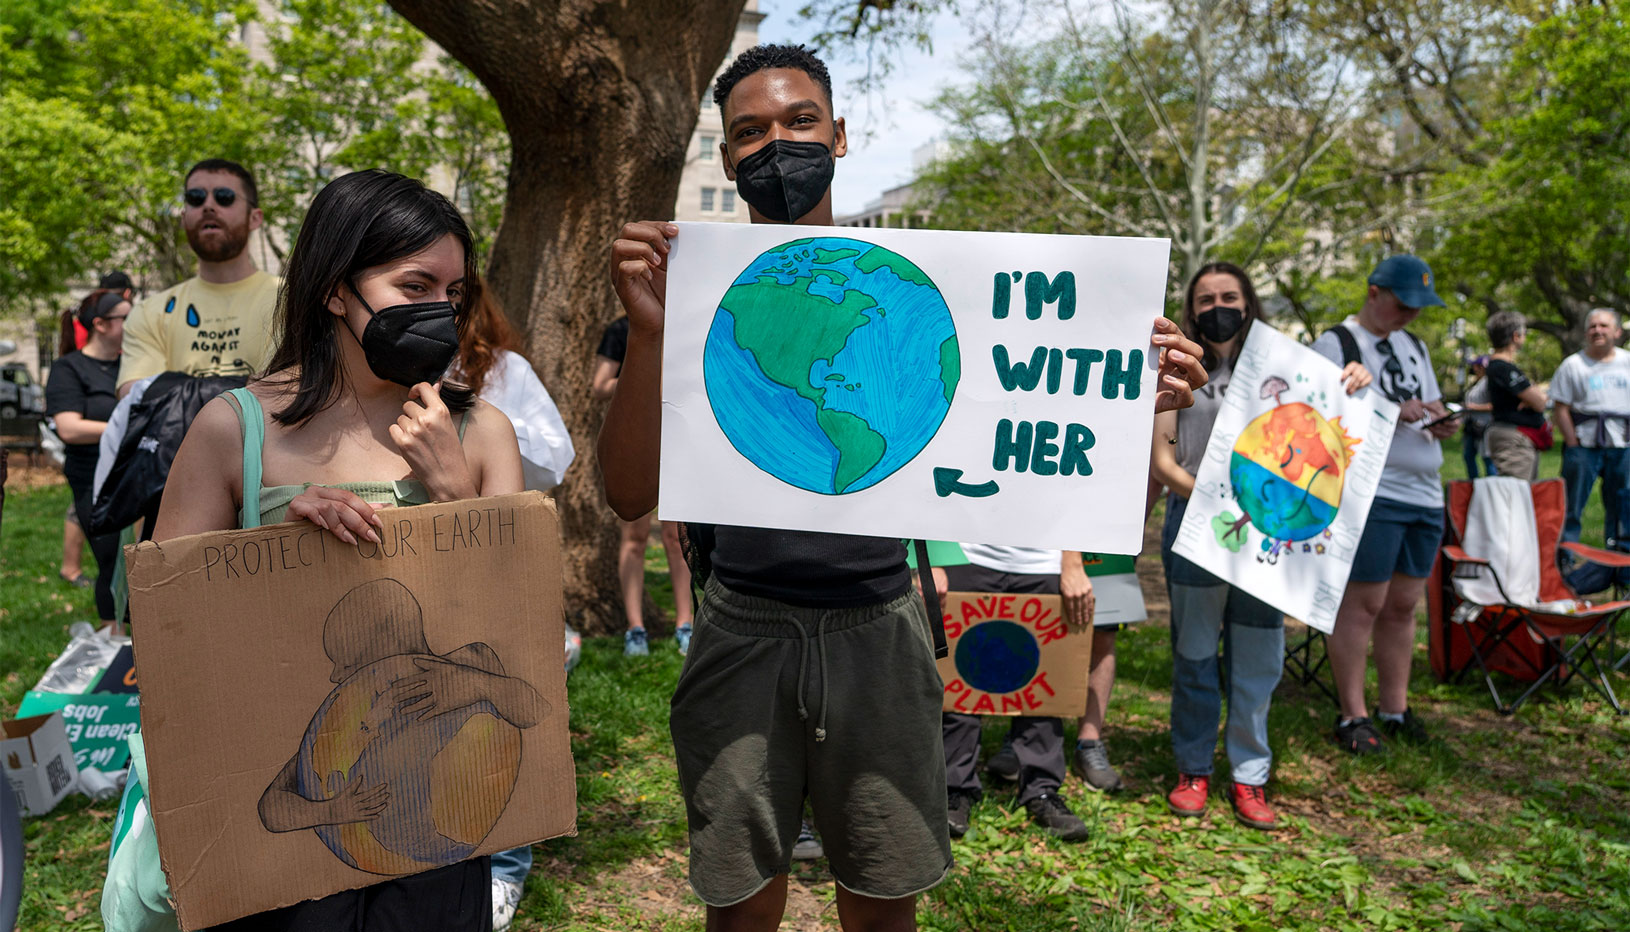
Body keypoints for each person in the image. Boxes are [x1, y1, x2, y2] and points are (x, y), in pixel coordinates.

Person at [598, 43, 1209, 932]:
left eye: (799, 121)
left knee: (885, 891)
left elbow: (1061, 490)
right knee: (738, 896)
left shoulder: (925, 292)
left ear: (839, 135)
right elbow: (625, 494)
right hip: (740, 631)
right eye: (751, 133)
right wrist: (649, 333)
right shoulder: (690, 296)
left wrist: (1123, 415)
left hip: (881, 628)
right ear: (727, 160)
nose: (778, 145)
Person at [153, 168, 521, 930]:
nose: (439, 312)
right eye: (415, 284)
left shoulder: (481, 434)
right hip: (286, 857)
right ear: (332, 290)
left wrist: (455, 497)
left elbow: (517, 627)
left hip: (444, 826)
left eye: (452, 294)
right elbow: (163, 629)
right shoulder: (234, 431)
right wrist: (275, 549)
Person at [1153, 263, 1366, 829]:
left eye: (1229, 296)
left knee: (1258, 659)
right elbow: (1164, 463)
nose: (1217, 306)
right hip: (1196, 531)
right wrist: (1214, 503)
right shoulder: (1174, 370)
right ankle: (1194, 767)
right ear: (1190, 308)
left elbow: (1325, 424)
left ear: (1249, 303)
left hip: (1268, 539)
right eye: (1205, 299)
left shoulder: (1290, 370)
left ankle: (1251, 775)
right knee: (1195, 655)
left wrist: (1352, 382)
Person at [455, 278, 574, 932]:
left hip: (490, 567)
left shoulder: (504, 371)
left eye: (448, 292)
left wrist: (472, 435)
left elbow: (557, 457)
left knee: (499, 713)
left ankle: (504, 868)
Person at [1312, 254, 1459, 754]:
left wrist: (1441, 418)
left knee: (1403, 605)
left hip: (1424, 492)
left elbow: (1430, 402)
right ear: (1374, 292)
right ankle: (1352, 713)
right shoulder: (1337, 344)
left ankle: (1395, 708)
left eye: (1419, 306)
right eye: (1403, 303)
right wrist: (1392, 412)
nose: (1411, 315)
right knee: (1364, 603)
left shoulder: (1413, 344)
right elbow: (1317, 413)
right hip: (1372, 491)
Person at [943, 545, 1094, 842]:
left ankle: (1042, 789)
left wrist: (1072, 561)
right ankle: (953, 790)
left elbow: (1076, 497)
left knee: (1043, 683)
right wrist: (934, 557)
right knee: (960, 677)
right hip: (964, 552)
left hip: (1041, 562)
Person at [117, 158, 281, 397]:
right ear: (184, 217)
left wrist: (180, 394)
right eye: (195, 198)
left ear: (255, 218)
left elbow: (301, 395)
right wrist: (251, 386)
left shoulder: (291, 302)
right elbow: (136, 399)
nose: (208, 206)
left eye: (224, 197)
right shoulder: (150, 312)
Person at [591, 315, 694, 656]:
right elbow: (599, 386)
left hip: (680, 443)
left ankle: (685, 624)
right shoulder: (623, 329)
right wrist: (641, 374)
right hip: (639, 445)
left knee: (677, 538)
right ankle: (635, 629)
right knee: (634, 540)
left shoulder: (689, 318)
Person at [45, 289, 129, 623]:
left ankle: (145, 637)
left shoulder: (132, 366)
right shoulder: (68, 369)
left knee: (139, 557)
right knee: (110, 557)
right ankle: (114, 638)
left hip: (132, 472)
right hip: (91, 476)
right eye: (126, 317)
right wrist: (122, 428)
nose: (134, 323)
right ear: (101, 324)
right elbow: (69, 428)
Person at [1553, 308, 1629, 550]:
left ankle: (1619, 562)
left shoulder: (1627, 362)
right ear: (1586, 332)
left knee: (1622, 506)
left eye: (1604, 326)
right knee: (1571, 505)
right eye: (1592, 326)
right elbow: (1560, 408)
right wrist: (1572, 443)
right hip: (1584, 447)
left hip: (1622, 447)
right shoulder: (1573, 365)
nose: (1598, 330)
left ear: (1617, 331)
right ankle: (1564, 557)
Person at [1481, 311, 1549, 482]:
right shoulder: (1503, 368)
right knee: (1515, 493)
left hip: (1517, 437)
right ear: (1516, 336)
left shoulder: (1502, 367)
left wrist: (1530, 397)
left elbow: (1536, 398)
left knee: (1523, 493)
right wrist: (1532, 397)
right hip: (1513, 440)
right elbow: (1540, 402)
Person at [1460, 355, 1496, 478]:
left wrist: (1472, 407)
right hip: (1472, 426)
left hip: (1484, 426)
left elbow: (1494, 405)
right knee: (1468, 455)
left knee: (1487, 458)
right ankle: (1473, 484)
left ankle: (1492, 486)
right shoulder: (1477, 382)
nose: (1473, 368)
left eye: (1475, 365)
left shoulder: (1489, 382)